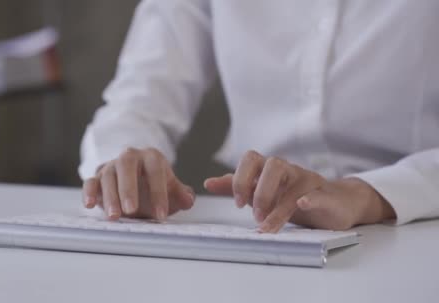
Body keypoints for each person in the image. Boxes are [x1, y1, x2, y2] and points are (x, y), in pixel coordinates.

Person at [78, 1, 439, 233]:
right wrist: (126, 169)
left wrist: (369, 194)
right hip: (261, 234)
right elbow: (139, 98)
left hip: (416, 230)